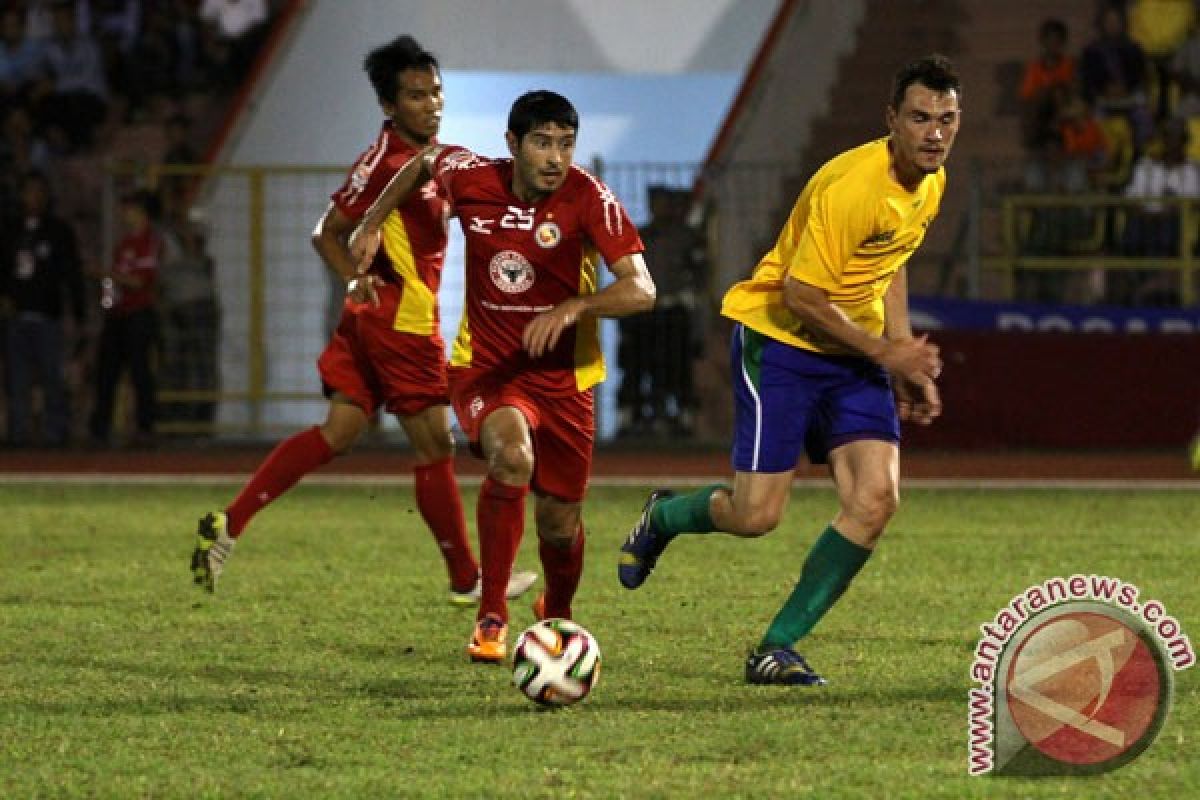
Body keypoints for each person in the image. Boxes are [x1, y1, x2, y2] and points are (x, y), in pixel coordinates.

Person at [618, 55, 958, 686]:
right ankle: (664, 516)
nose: (934, 133)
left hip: (852, 355)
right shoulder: (852, 185)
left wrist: (903, 347)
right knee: (756, 516)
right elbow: (801, 294)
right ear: (891, 120)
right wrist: (886, 353)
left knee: (876, 500)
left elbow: (891, 260)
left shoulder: (931, 182)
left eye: (946, 118)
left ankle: (776, 647)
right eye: (919, 118)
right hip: (782, 345)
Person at [189, 35, 537, 606]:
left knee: (339, 433)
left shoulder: (384, 157)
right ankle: (465, 581)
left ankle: (229, 523)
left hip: (368, 320)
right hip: (400, 322)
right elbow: (327, 233)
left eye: (436, 91)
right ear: (389, 106)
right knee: (434, 451)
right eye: (417, 95)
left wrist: (354, 280)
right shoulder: (395, 165)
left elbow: (328, 231)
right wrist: (354, 274)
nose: (432, 103)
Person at [352, 90, 656, 663]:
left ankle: (556, 611)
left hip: (565, 380)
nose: (555, 158)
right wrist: (372, 220)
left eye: (566, 144)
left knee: (561, 525)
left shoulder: (589, 197)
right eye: (542, 142)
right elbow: (424, 159)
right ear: (513, 144)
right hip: (487, 370)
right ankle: (491, 615)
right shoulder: (471, 176)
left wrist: (575, 308)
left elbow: (643, 288)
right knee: (512, 459)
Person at [1, 170, 85, 446]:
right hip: (16, 318)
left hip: (48, 317)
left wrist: (80, 313)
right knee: (17, 380)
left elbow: (73, 275)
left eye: (39, 191)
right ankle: (18, 435)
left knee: (52, 379)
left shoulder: (59, 231)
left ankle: (55, 435)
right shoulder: (10, 230)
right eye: (29, 191)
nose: (34, 197)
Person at [89, 189, 162, 447]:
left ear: (142, 211)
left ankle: (145, 427)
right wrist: (107, 302)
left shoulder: (149, 242)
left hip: (138, 315)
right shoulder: (124, 245)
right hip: (118, 316)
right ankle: (100, 428)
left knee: (140, 372)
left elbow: (139, 281)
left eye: (129, 208)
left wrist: (105, 274)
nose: (124, 213)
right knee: (106, 372)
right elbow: (113, 282)